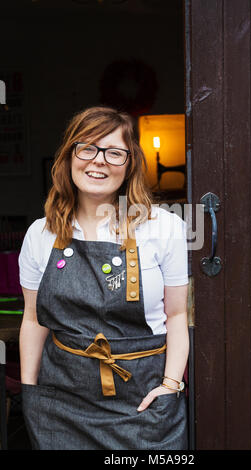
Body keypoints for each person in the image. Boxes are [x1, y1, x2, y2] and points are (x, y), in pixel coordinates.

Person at [18, 106, 189, 450]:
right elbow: (34, 319)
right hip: (61, 406)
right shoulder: (41, 233)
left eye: (114, 152)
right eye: (87, 148)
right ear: (69, 157)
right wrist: (31, 393)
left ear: (129, 165)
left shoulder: (163, 227)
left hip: (143, 403)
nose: (99, 161)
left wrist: (170, 386)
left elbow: (177, 315)